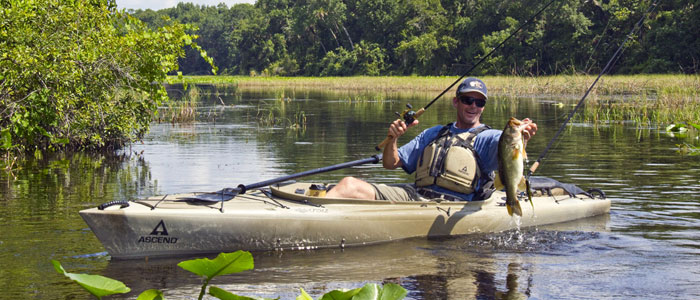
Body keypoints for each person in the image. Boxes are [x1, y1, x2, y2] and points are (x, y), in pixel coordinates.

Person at [326, 77, 538, 201]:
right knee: (349, 184)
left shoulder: (489, 138)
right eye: (467, 99)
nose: (473, 106)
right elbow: (391, 164)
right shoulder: (434, 133)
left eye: (479, 102)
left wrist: (523, 135)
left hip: (452, 206)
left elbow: (509, 148)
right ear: (456, 102)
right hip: (416, 196)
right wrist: (392, 139)